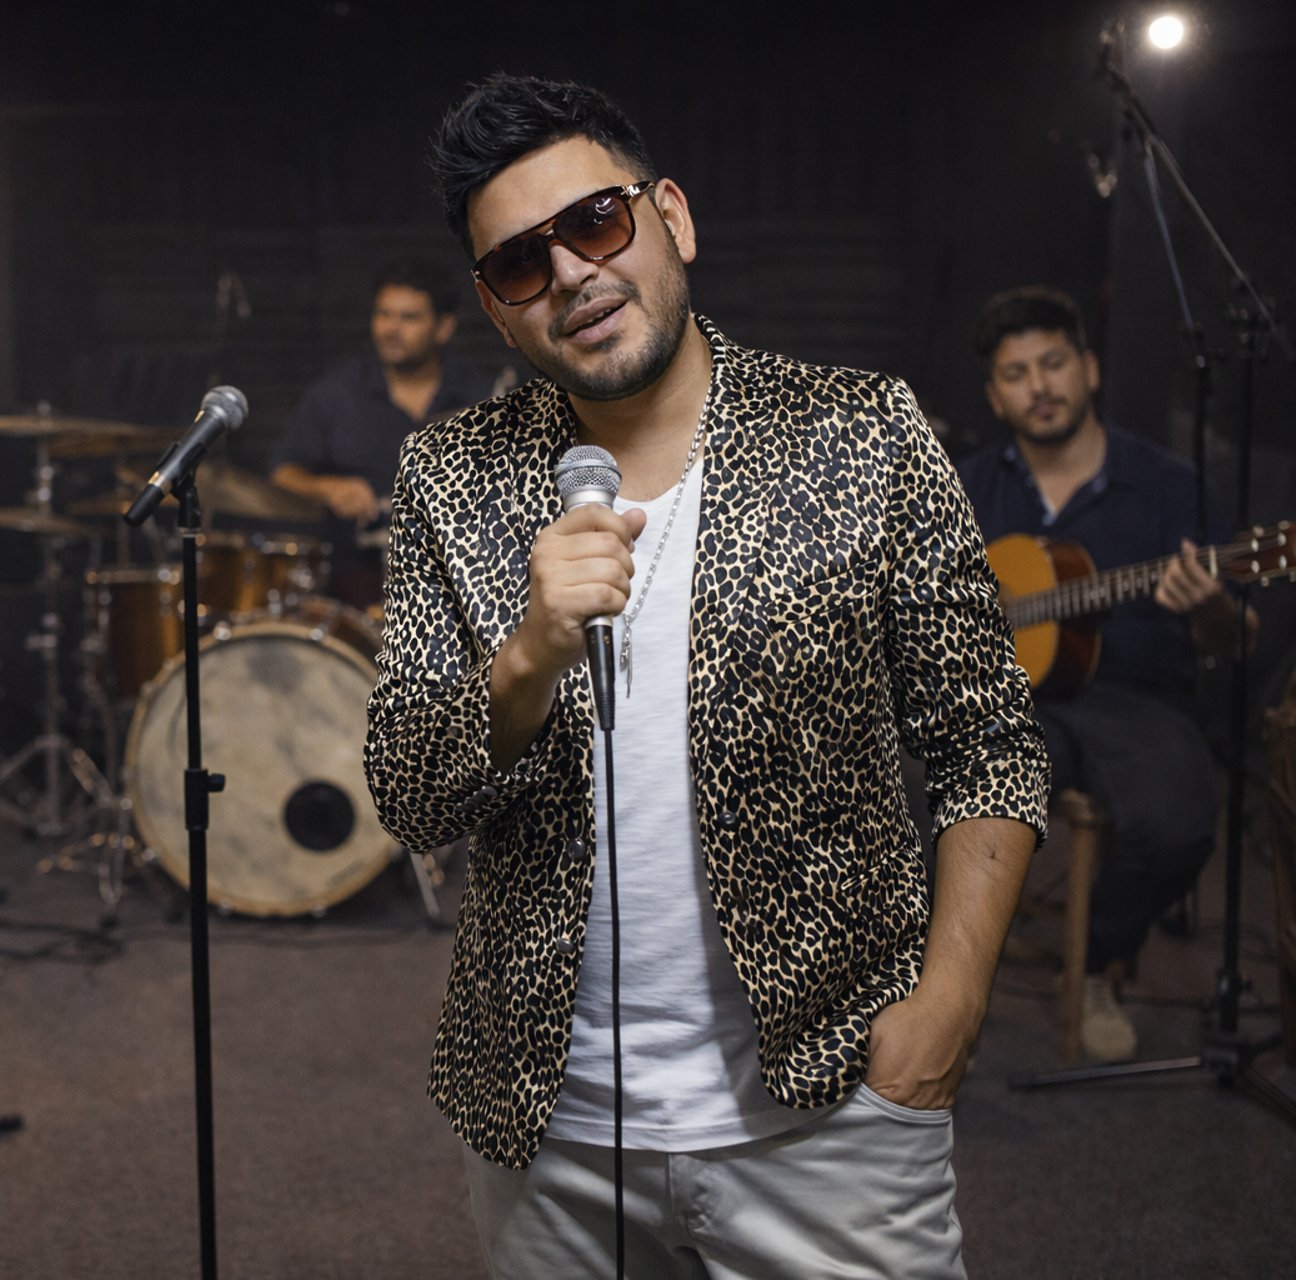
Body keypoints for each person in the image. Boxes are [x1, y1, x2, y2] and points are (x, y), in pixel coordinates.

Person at [363, 75, 1048, 1278]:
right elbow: (411, 796)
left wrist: (947, 1010)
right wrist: (527, 653)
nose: (571, 273)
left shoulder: (864, 432)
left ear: (670, 217)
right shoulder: (447, 476)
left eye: (595, 222)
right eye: (522, 262)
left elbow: (988, 738)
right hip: (548, 1128)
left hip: (832, 1109)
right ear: (495, 307)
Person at [959, 284, 1255, 1064]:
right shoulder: (966, 487)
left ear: (1088, 369)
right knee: (939, 791)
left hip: (1137, 700)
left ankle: (1096, 963)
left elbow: (1237, 636)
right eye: (1017, 373)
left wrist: (1210, 607)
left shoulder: (1169, 483)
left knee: (1181, 822)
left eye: (1053, 363)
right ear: (995, 395)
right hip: (1013, 702)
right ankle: (947, 971)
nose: (1040, 386)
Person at [269, 258, 491, 605]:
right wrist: (327, 487)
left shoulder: (480, 395)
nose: (391, 329)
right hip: (355, 586)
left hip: (461, 581)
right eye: (383, 314)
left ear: (444, 327)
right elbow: (282, 473)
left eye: (409, 318)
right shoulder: (336, 394)